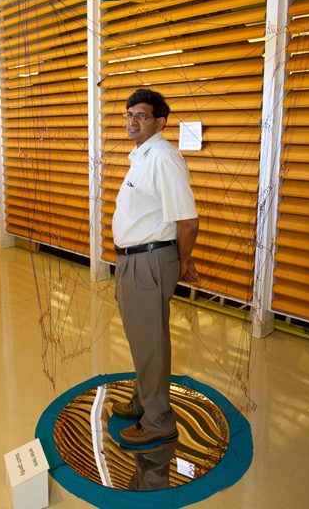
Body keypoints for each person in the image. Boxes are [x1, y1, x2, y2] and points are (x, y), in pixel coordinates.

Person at [112, 88, 199, 446]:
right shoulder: (142, 156)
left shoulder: (163, 157)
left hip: (148, 261)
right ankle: (143, 400)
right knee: (142, 338)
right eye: (129, 114)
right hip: (134, 260)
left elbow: (187, 222)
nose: (132, 121)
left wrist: (182, 262)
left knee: (151, 343)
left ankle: (158, 420)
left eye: (141, 116)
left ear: (159, 123)